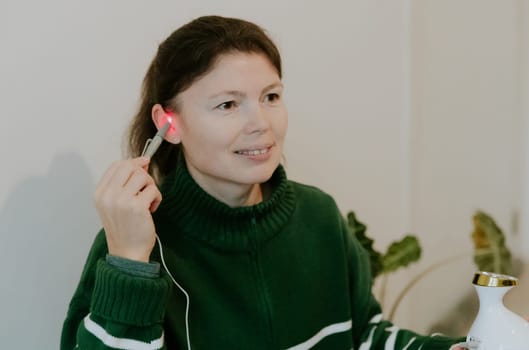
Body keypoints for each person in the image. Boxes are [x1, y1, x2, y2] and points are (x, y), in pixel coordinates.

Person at [61, 15, 467, 349]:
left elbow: (365, 336)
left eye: (271, 97)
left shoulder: (319, 217)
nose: (261, 124)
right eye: (228, 104)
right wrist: (131, 263)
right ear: (169, 124)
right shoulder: (133, 244)